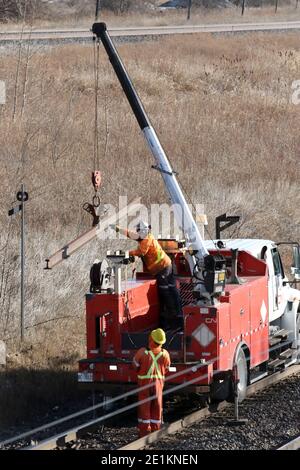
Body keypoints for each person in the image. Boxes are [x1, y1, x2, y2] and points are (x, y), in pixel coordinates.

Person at [111, 221, 183, 330]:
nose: (137, 232)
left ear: (143, 231)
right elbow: (129, 234)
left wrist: (126, 253)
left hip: (163, 268)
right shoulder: (143, 237)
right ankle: (173, 315)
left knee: (166, 291)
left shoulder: (147, 239)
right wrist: (117, 229)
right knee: (169, 290)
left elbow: (141, 252)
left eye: (138, 231)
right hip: (163, 267)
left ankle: (174, 317)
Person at [133, 328, 171, 437]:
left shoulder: (142, 352)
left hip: (144, 384)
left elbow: (135, 365)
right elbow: (167, 368)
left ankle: (144, 432)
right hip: (158, 384)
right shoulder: (165, 354)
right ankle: (155, 431)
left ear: (150, 339)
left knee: (144, 407)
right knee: (157, 406)